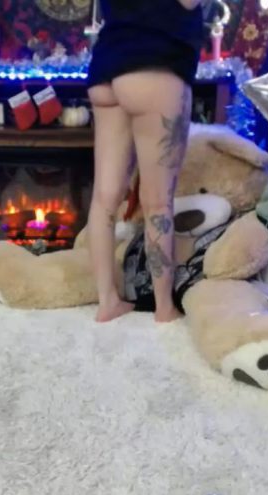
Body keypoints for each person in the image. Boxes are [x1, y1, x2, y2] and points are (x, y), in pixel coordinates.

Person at [86, 0, 205, 323]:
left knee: (104, 199)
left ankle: (107, 301)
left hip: (105, 70)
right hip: (156, 67)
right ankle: (164, 307)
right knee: (158, 202)